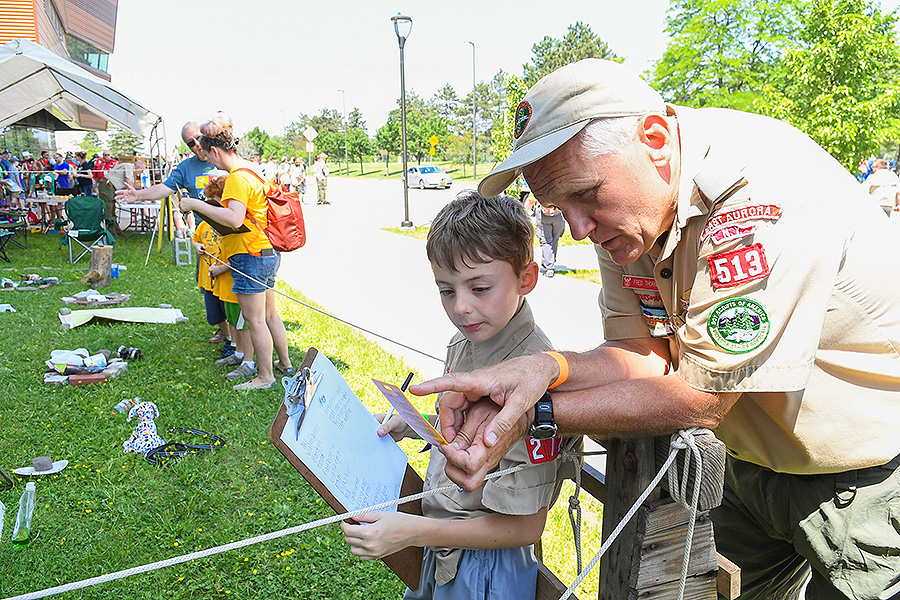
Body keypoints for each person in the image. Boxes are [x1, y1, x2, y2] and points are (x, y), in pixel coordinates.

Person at [410, 59, 900, 600]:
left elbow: (703, 397)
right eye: (558, 207)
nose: (578, 229)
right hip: (746, 466)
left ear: (656, 140)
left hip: (865, 476)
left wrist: (530, 415)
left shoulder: (759, 194)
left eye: (586, 194)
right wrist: (546, 368)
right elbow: (640, 351)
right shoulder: (630, 216)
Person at [341, 191, 579, 600]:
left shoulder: (534, 382)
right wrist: (416, 424)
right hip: (441, 546)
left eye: (480, 288)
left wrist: (413, 531)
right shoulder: (466, 340)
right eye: (446, 291)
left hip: (487, 569)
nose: (462, 307)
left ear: (526, 279)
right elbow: (469, 431)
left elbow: (525, 527)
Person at [178, 114, 293, 390]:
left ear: (215, 151)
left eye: (208, 156)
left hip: (249, 254)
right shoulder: (252, 170)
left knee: (255, 320)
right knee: (269, 316)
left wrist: (195, 204)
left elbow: (234, 219)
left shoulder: (236, 178)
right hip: (266, 251)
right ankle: (285, 364)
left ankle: (265, 377)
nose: (210, 162)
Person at [115, 122, 220, 237]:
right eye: (191, 143)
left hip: (232, 230)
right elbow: (163, 188)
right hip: (206, 235)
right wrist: (138, 195)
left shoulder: (225, 158)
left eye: (198, 137)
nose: (197, 144)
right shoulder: (186, 167)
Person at [98, 160, 145, 236]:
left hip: (111, 186)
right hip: (107, 185)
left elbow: (131, 184)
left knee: (112, 209)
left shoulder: (131, 170)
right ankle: (111, 233)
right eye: (142, 170)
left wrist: (141, 188)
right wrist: (136, 193)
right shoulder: (129, 167)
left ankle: (117, 231)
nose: (142, 172)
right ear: (137, 167)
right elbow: (128, 182)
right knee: (109, 209)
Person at [534, 201, 565, 277]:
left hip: (544, 216)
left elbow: (531, 201)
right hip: (558, 216)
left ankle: (549, 267)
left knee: (546, 241)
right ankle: (550, 261)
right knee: (555, 240)